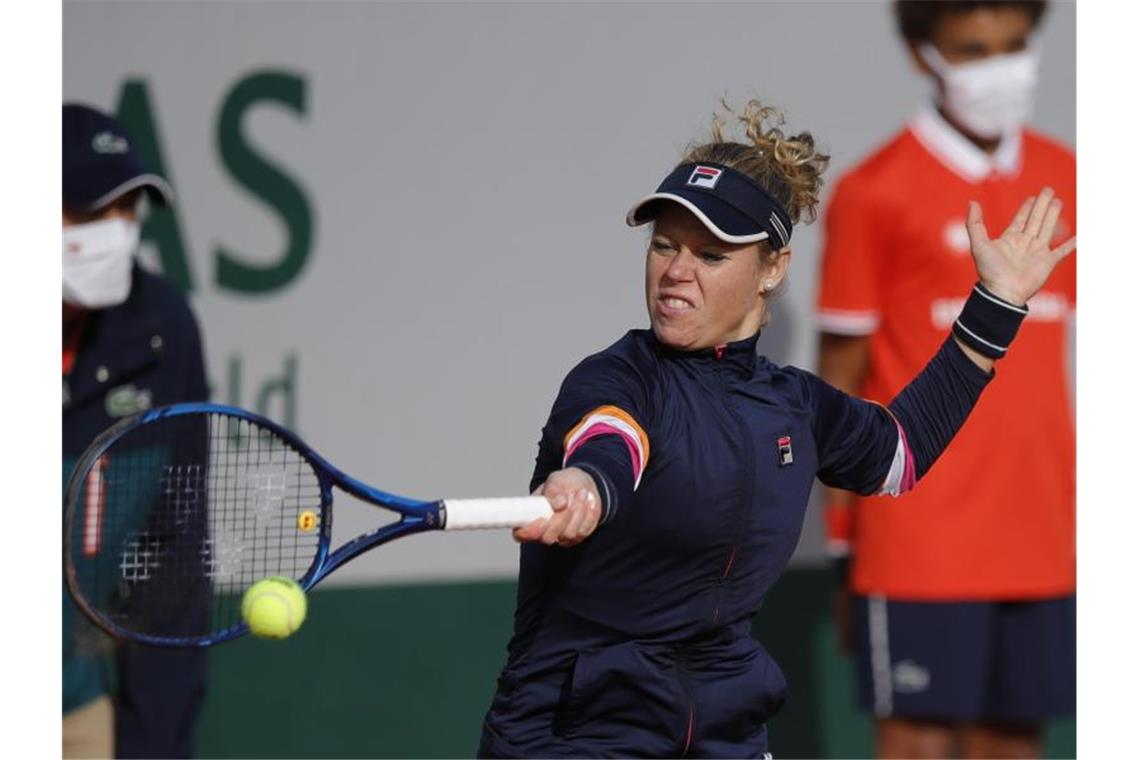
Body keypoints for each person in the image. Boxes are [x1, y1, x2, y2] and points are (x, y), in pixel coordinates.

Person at [476, 99, 1074, 758]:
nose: (676, 271)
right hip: (576, 737)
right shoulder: (613, 381)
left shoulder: (796, 406)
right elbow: (610, 441)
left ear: (772, 270)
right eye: (665, 245)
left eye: (711, 253)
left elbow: (901, 452)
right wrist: (586, 484)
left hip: (726, 733)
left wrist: (996, 308)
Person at [815, 2, 1075, 757]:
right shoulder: (874, 192)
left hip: (1042, 537)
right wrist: (842, 550)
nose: (1002, 68)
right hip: (918, 539)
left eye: (1016, 45)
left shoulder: (1070, 179)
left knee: (1014, 745)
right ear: (922, 54)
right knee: (916, 744)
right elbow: (840, 390)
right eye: (974, 49)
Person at [62, 103, 210, 759]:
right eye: (93, 213)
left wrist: (155, 744)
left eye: (131, 211)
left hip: (75, 707)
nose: (117, 234)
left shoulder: (162, 329)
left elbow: (170, 563)